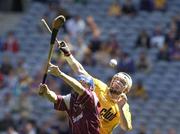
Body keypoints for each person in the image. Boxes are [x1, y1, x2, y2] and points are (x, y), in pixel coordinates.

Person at [58, 41, 133, 133]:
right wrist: (68, 54)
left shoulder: (123, 105)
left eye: (122, 82)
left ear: (126, 89)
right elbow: (80, 70)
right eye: (116, 78)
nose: (117, 81)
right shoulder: (99, 86)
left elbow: (126, 127)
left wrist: (120, 108)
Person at [38, 63, 100, 134]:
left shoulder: (92, 97)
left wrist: (60, 74)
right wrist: (47, 92)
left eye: (84, 84)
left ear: (91, 88)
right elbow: (55, 99)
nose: (81, 85)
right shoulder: (71, 99)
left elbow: (79, 88)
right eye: (80, 82)